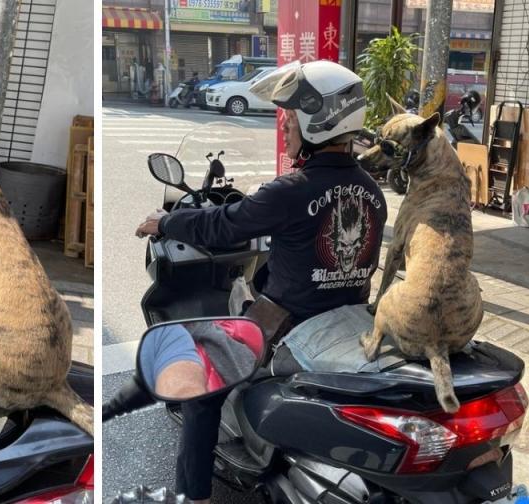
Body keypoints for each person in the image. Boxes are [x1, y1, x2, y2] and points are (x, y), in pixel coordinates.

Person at [135, 60, 388, 504]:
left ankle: (192, 497)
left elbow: (222, 225)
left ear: (318, 119)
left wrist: (166, 223)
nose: (284, 124)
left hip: (286, 327)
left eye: (290, 115)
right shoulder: (372, 190)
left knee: (199, 387)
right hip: (348, 321)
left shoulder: (292, 190)